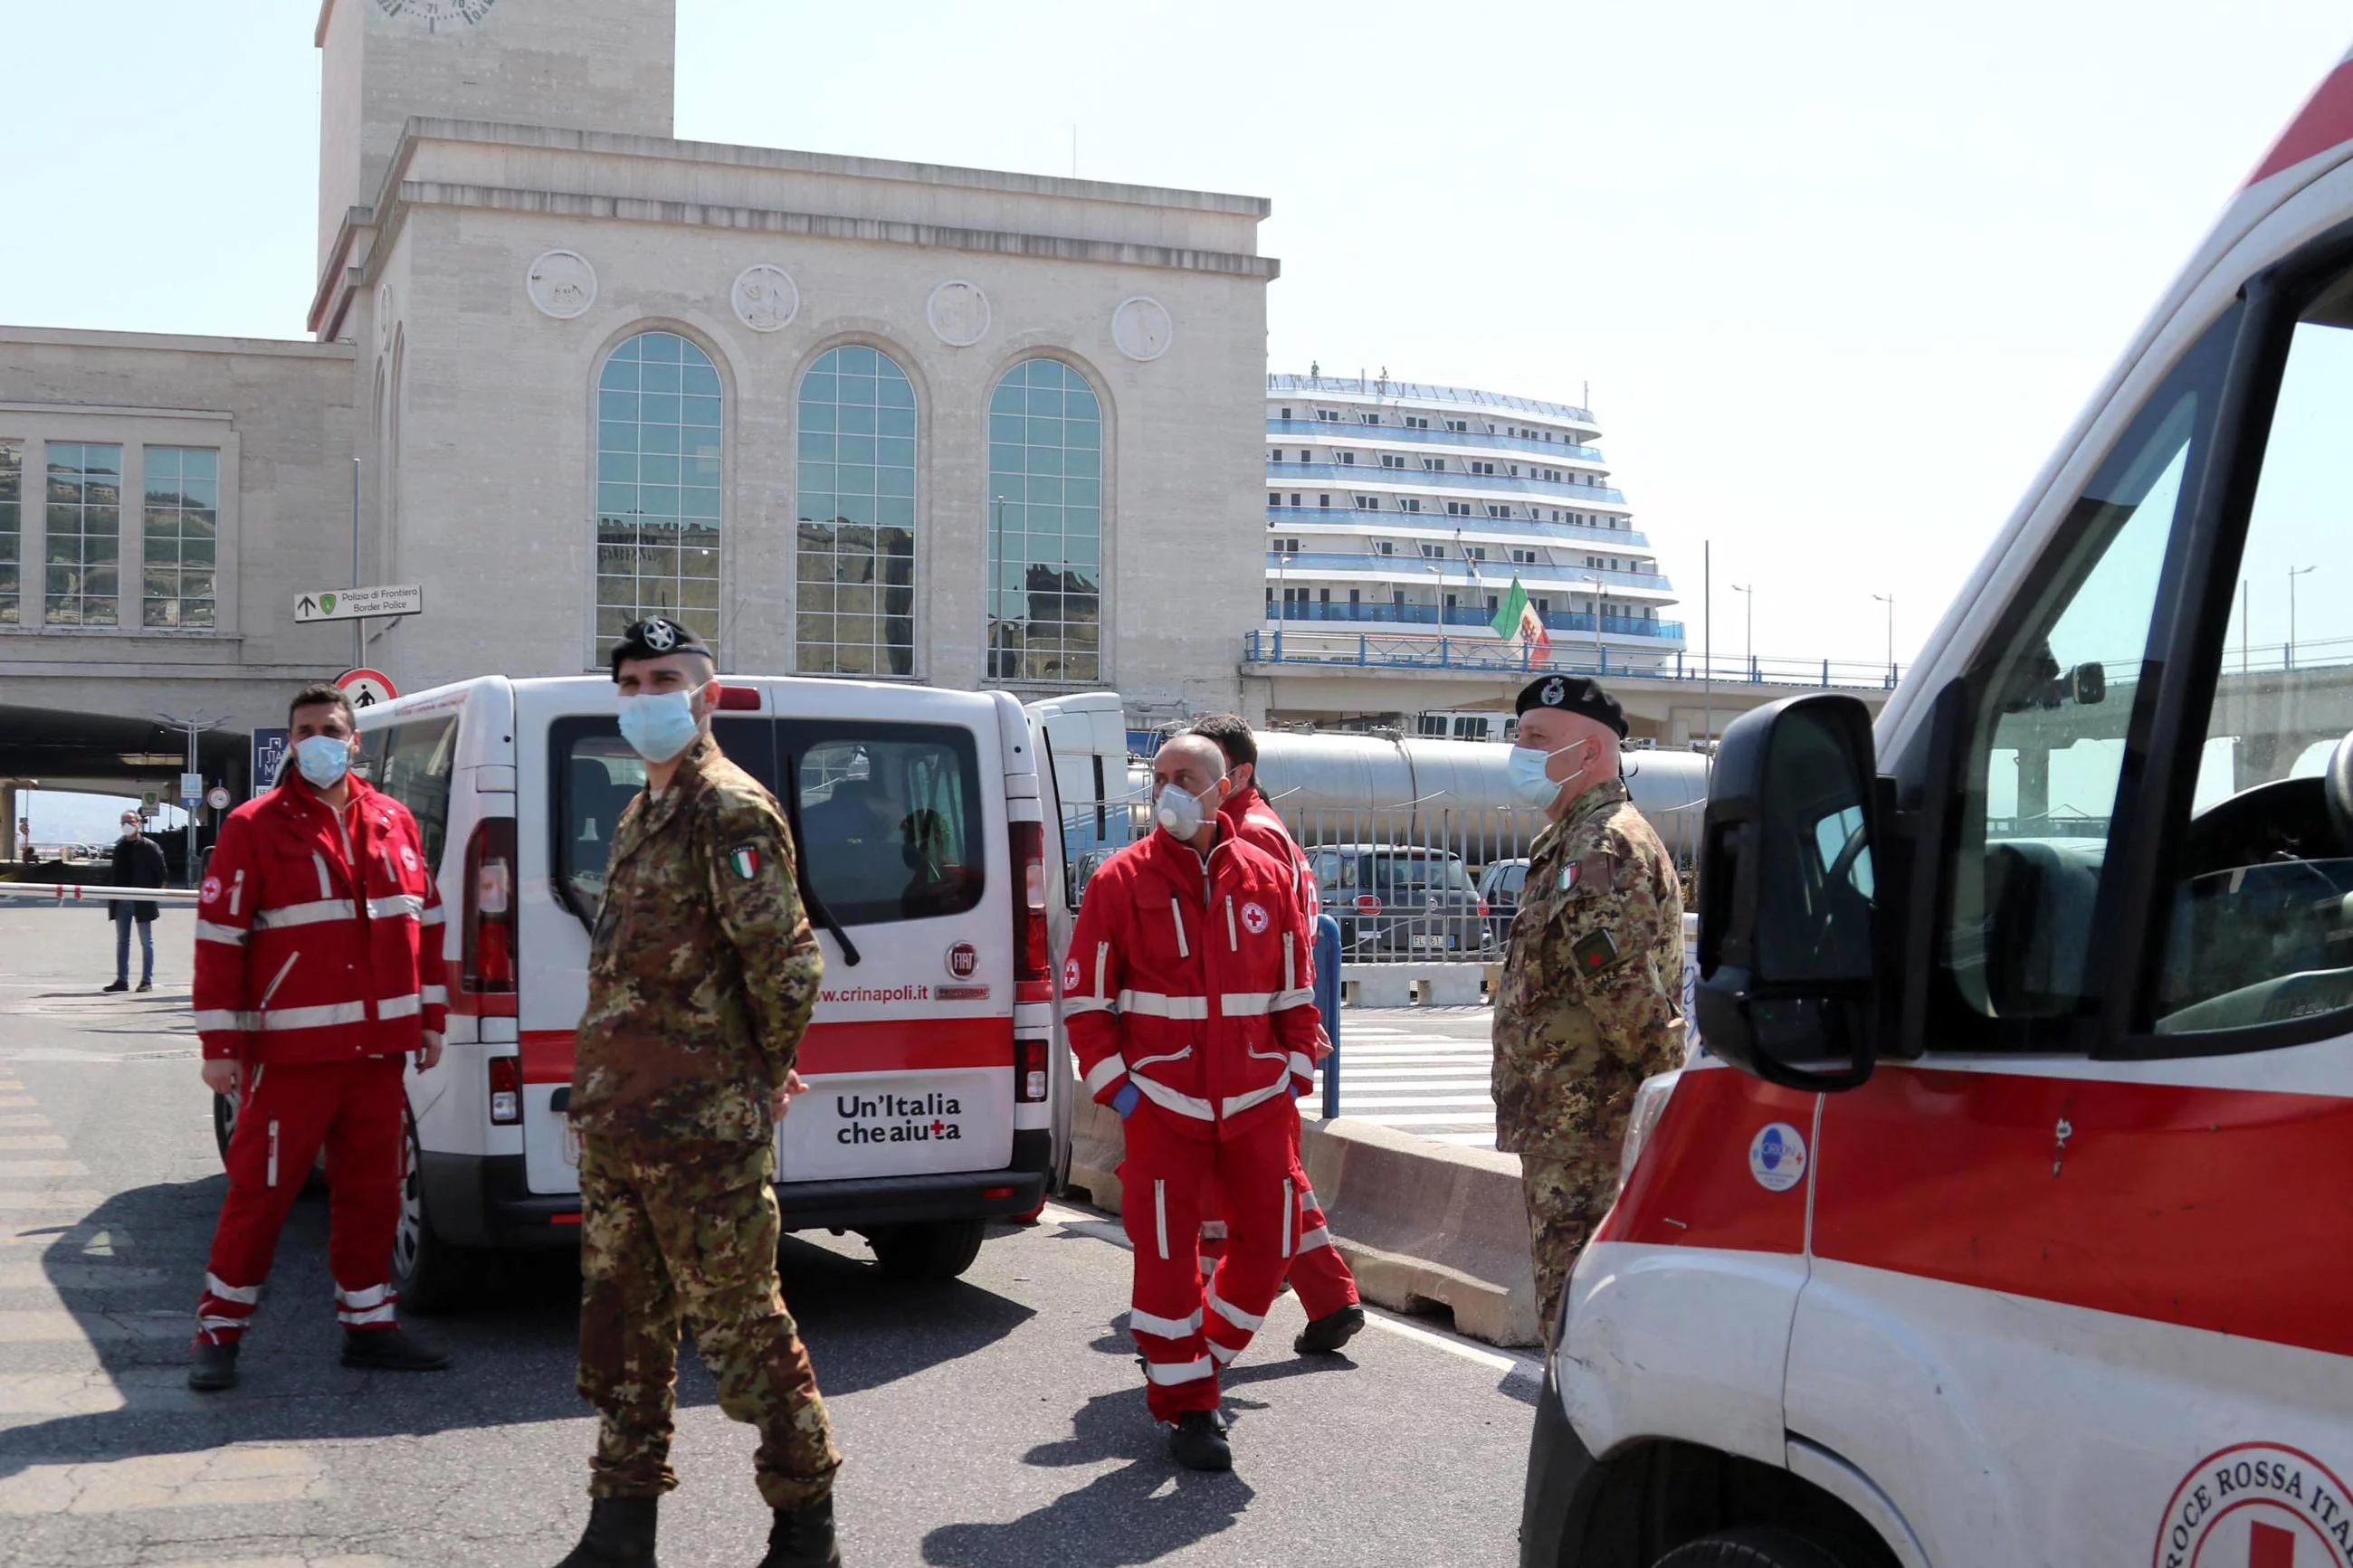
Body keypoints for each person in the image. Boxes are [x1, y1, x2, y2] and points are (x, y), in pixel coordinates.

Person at [554, 617, 841, 1568]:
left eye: (664, 678)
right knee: (622, 1328)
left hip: (702, 1128)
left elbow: (787, 965)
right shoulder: (644, 807)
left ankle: (805, 1528)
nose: (646, 696)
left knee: (743, 1331)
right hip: (620, 1121)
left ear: (706, 693)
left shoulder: (730, 808)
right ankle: (618, 1530)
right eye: (630, 682)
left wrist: (757, 1077)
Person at [1064, 733, 1323, 1472]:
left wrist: (1295, 1072)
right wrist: (1122, 1090)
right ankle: (1191, 1408)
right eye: (1159, 777)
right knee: (1168, 1255)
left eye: (1184, 777)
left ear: (1222, 788)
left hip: (1257, 1102)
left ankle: (1198, 1356)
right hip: (1163, 1106)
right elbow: (1087, 1001)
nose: (1167, 789)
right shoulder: (1120, 879)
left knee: (1272, 1243)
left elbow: (1295, 987)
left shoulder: (1266, 877)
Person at [186, 683, 453, 1392]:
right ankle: (219, 1332)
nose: (318, 740)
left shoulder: (396, 821)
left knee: (374, 1194)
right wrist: (219, 1044)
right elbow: (220, 940)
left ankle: (370, 1327)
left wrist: (430, 1019)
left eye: (330, 727)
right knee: (260, 1194)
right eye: (305, 730)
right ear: (291, 742)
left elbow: (427, 928)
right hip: (291, 1057)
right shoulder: (254, 824)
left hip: (378, 1055)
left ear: (355, 738)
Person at [1491, 674, 1685, 1350]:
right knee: (1578, 1307)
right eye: (1519, 737)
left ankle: (1582, 1443)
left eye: (1537, 739)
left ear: (1591, 751)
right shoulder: (1576, 839)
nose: (1520, 753)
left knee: (1579, 1318)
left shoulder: (1600, 845)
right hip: (1570, 1124)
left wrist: (1671, 1091)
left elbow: (1624, 994)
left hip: (1590, 1129)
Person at [1186, 714, 1365, 1356]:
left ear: (1235, 773)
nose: (1180, 787)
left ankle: (1204, 1324)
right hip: (1261, 1034)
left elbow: (1250, 946)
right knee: (1276, 1179)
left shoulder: (1248, 837)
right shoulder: (1266, 827)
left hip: (1245, 1041)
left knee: (1233, 1186)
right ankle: (1331, 1297)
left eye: (1194, 773)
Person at [104, 810, 167, 993]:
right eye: (123, 821)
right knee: (122, 941)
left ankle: (146, 980)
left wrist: (149, 893)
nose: (127, 824)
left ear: (139, 823)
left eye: (130, 821)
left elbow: (161, 873)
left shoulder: (149, 847)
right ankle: (121, 980)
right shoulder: (119, 847)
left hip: (142, 901)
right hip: (121, 901)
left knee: (146, 941)